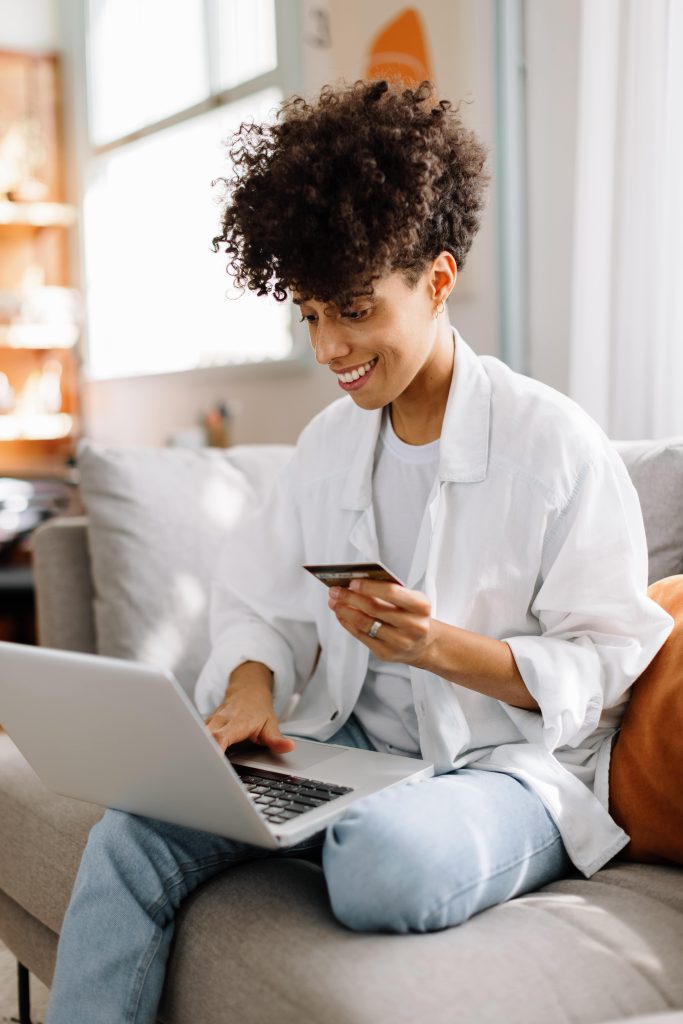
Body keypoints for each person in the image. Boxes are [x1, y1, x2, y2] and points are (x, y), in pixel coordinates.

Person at [45, 79, 674, 1023]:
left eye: (354, 309)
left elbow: (610, 666)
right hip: (350, 753)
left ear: (437, 279)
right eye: (308, 314)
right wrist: (250, 689)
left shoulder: (553, 444)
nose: (330, 347)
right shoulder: (328, 447)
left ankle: (332, 831)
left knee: (380, 861)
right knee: (134, 831)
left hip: (507, 771)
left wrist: (440, 649)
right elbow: (258, 605)